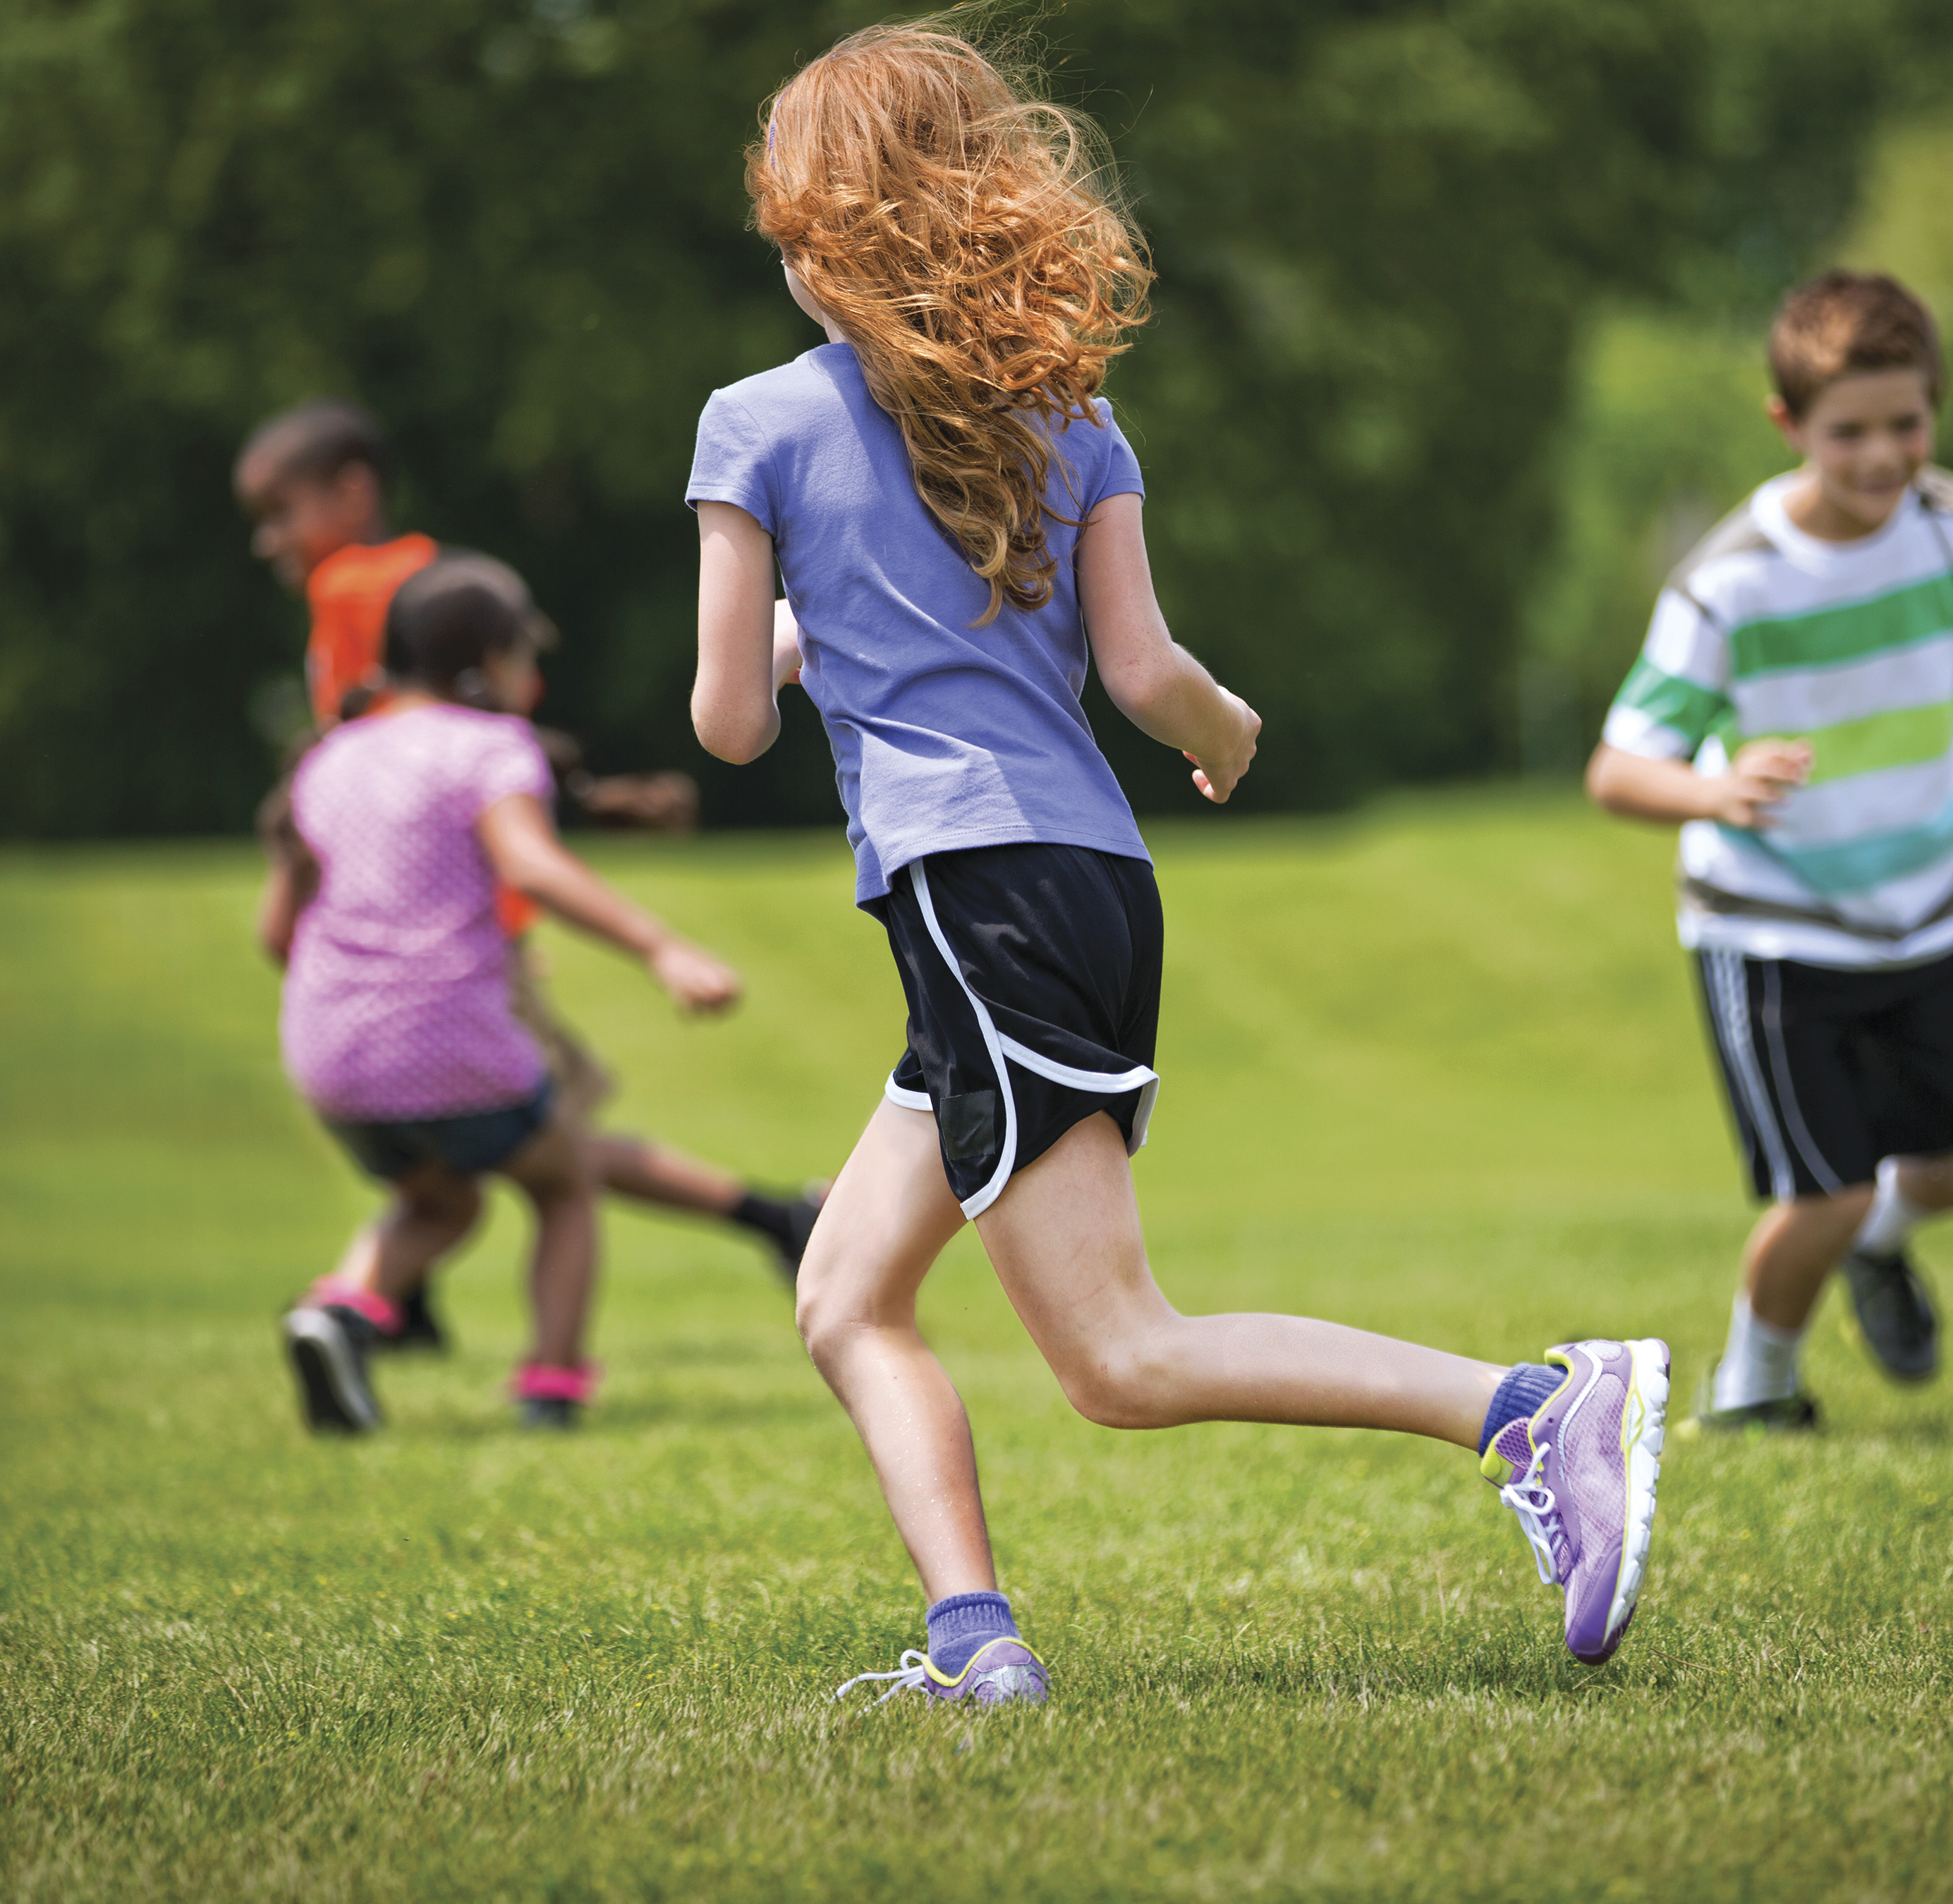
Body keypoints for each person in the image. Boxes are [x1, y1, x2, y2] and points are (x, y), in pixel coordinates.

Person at [686, 21, 1672, 1705]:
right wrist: (1226, 735)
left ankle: (1528, 1407)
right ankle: (973, 1645)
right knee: (847, 1289)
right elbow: (1145, 678)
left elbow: (719, 724)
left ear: (825, 232)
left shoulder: (753, 424)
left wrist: (782, 642)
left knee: (1122, 1355)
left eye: (789, 229)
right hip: (1082, 879)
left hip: (968, 893)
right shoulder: (1074, 418)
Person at [1585, 270, 1953, 1434]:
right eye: (1851, 432)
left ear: (1935, 407)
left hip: (1928, 914)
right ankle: (1754, 1392)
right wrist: (1716, 789)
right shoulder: (1733, 580)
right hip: (1775, 932)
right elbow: (1616, 771)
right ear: (1790, 426)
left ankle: (1873, 1243)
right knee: (1824, 1191)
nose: (1885, 455)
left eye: (1909, 423)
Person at [233, 404, 826, 1321]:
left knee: (542, 1144)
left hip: (441, 925)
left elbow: (405, 756)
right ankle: (769, 1218)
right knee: (541, 1144)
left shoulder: (358, 590)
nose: (270, 541)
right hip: (452, 921)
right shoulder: (419, 580)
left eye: (282, 514)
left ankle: (374, 1301)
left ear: (351, 493)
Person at [264, 556, 746, 1432]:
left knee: (441, 1201)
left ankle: (335, 1313)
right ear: (488, 661)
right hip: (446, 1037)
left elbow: (275, 934)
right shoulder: (491, 747)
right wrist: (662, 948)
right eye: (527, 653)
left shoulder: (331, 758)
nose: (536, 675)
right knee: (563, 1179)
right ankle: (550, 1389)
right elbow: (530, 864)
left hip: (327, 1054)